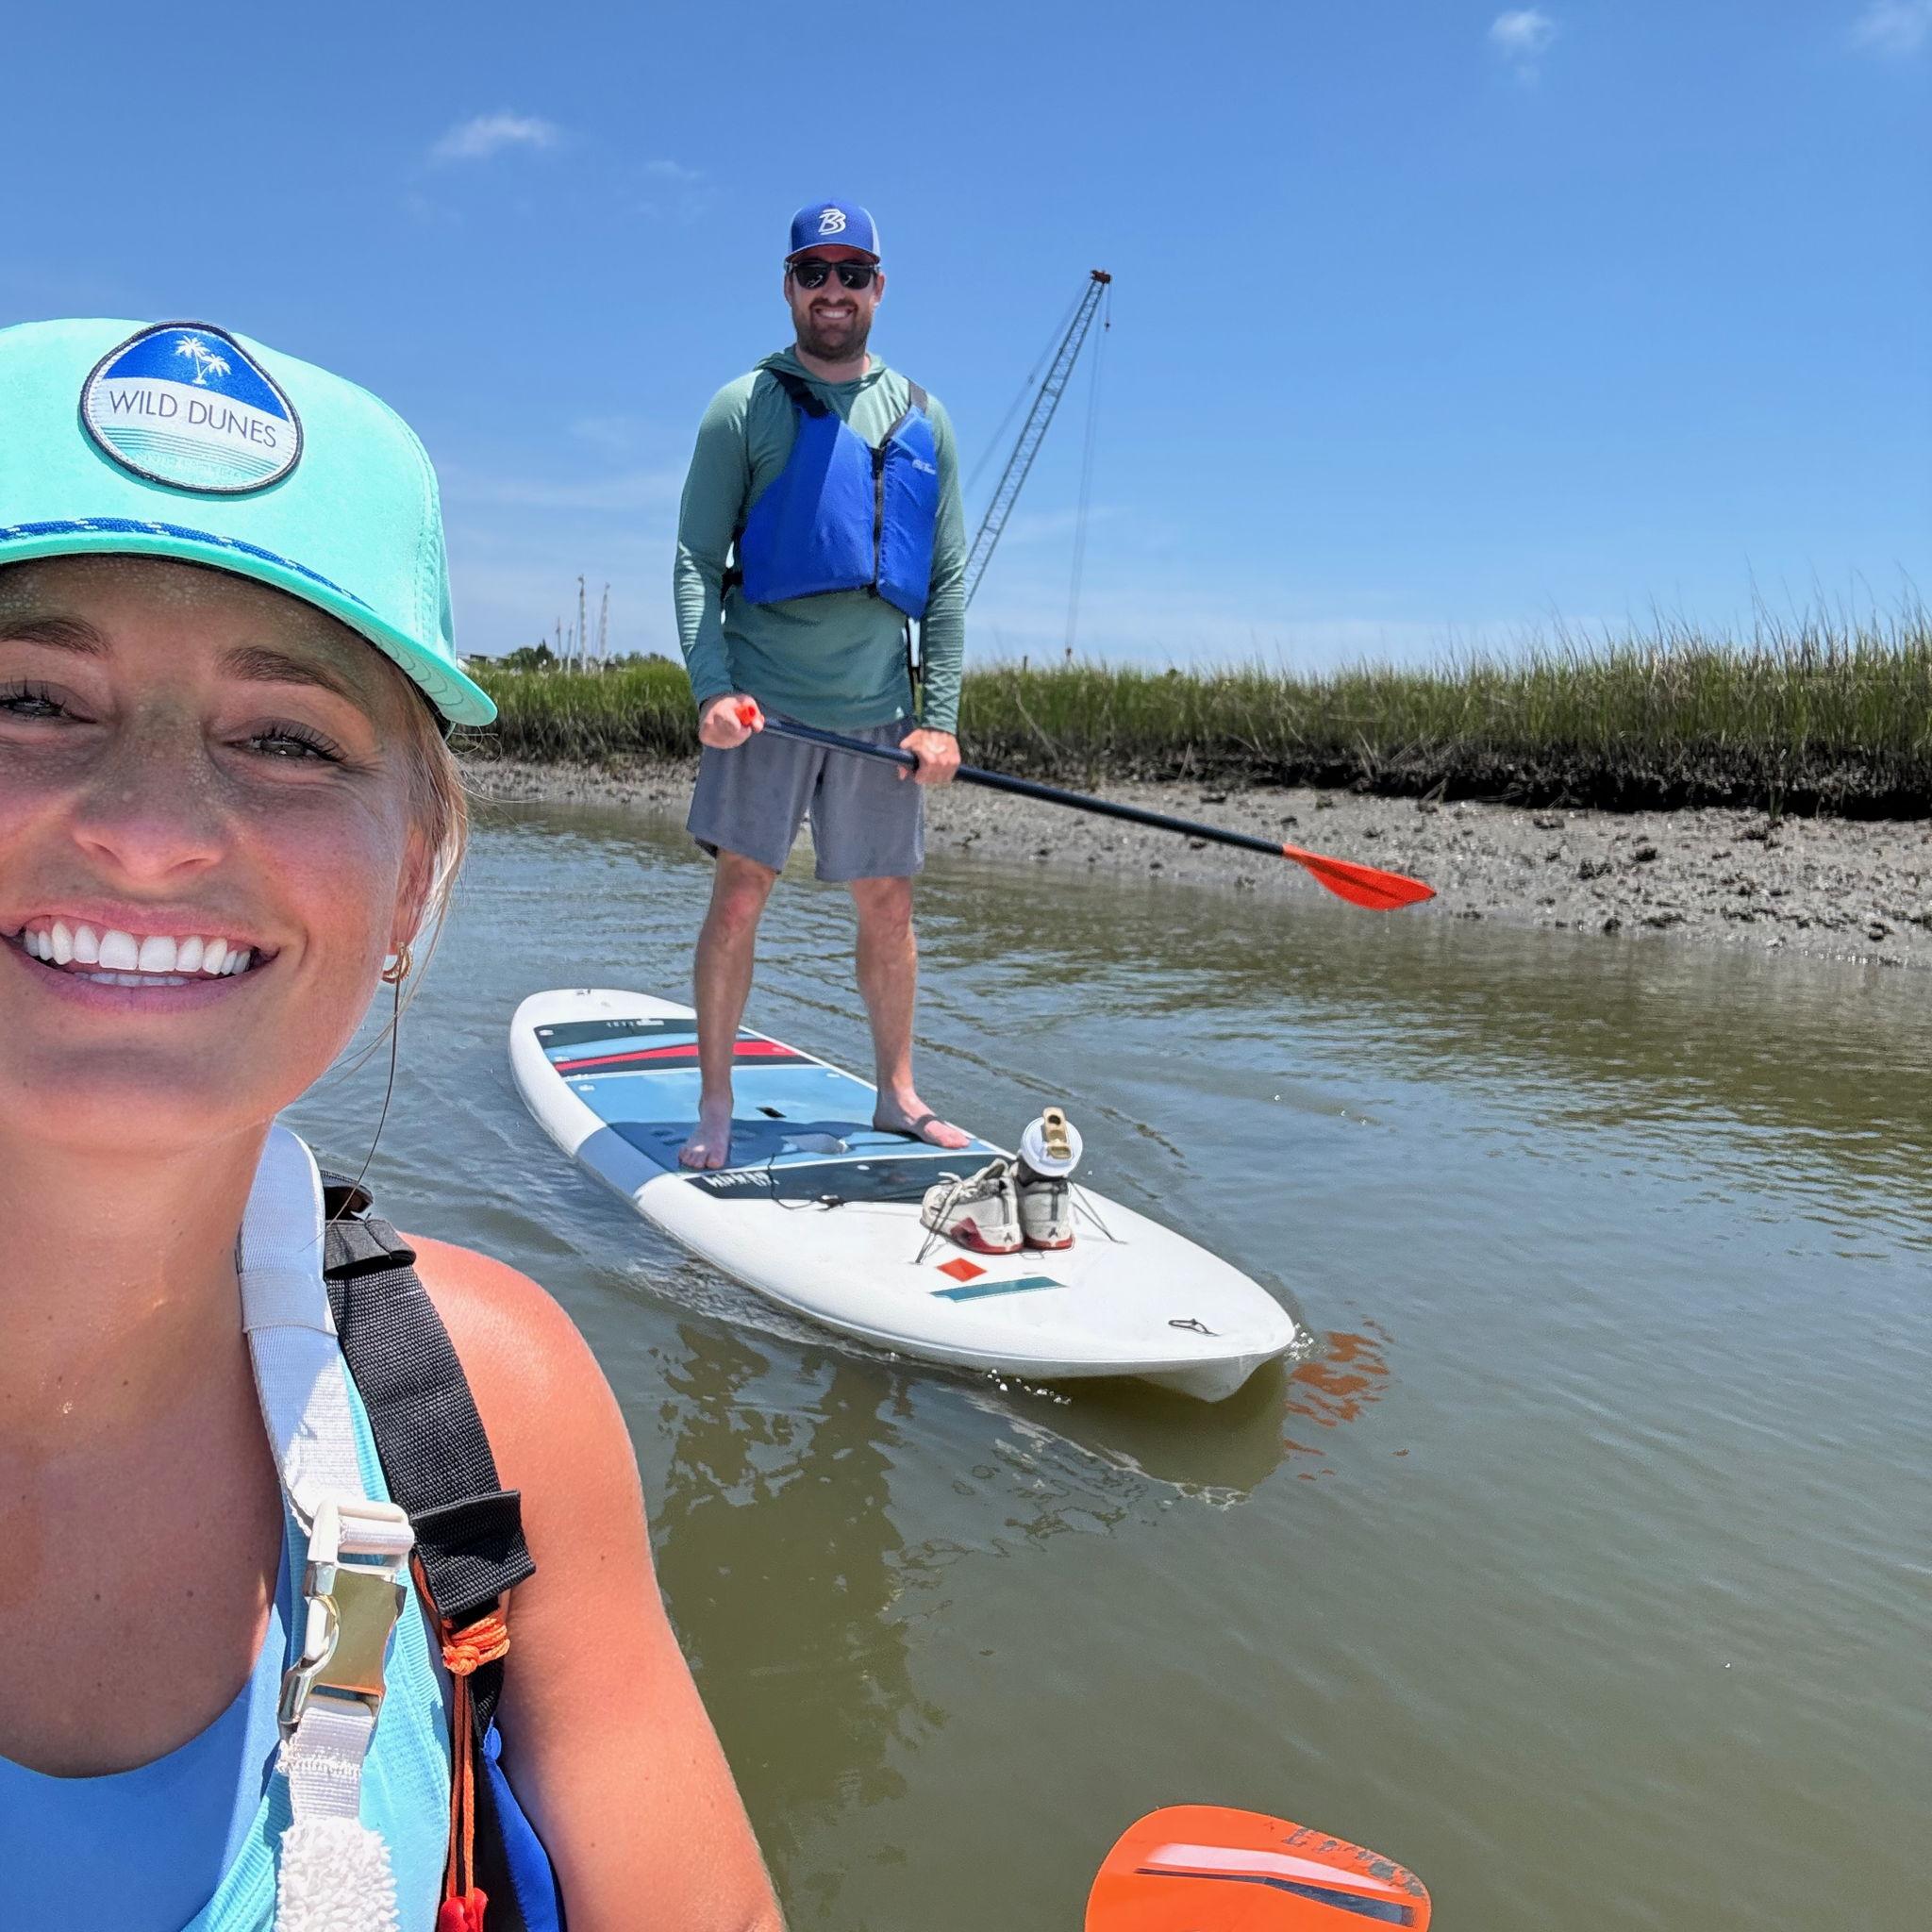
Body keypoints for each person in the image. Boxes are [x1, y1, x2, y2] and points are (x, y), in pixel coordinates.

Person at [0, 317, 783, 1932]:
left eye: (286, 737)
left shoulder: (497, 1409)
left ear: (414, 874)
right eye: (28, 698)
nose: (150, 831)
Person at [673, 199, 973, 1170]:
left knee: (888, 906)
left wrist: (939, 722)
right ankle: (715, 1102)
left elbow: (949, 584)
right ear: (789, 286)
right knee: (738, 897)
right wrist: (711, 690)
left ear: (877, 287)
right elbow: (692, 556)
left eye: (851, 272)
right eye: (813, 271)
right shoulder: (742, 406)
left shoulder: (927, 418)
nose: (831, 290)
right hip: (761, 705)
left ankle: (897, 1093)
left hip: (880, 713)